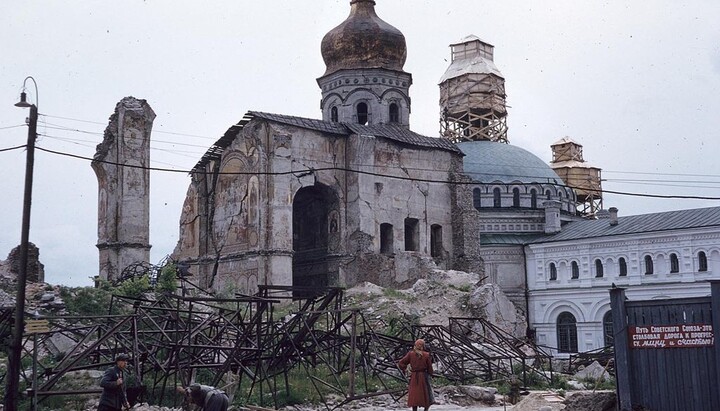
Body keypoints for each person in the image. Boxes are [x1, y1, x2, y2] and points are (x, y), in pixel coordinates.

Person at [397, 339, 434, 411]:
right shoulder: (426, 355)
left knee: (415, 395)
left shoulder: (411, 354)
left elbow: (401, 362)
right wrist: (431, 374)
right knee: (426, 395)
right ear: (423, 346)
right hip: (423, 377)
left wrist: (405, 369)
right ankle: (425, 409)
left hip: (414, 377)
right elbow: (430, 368)